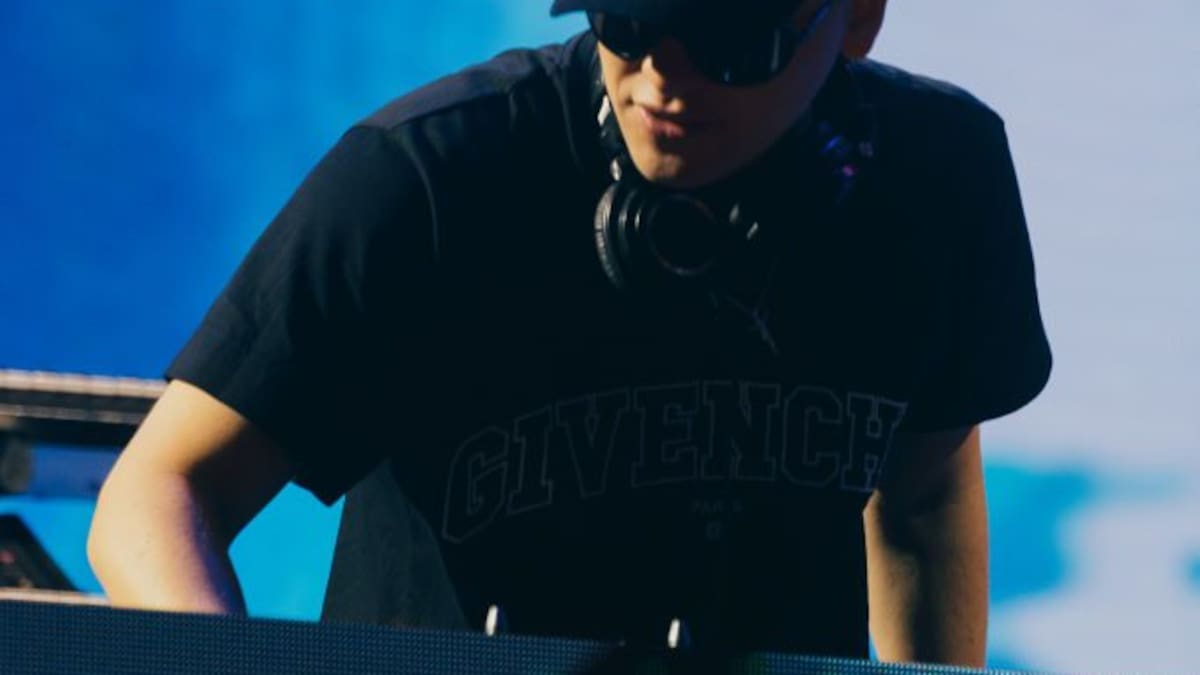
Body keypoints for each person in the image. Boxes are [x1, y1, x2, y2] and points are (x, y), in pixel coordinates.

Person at [87, 0, 1052, 667]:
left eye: (731, 39)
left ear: (857, 18)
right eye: (627, 19)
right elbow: (157, 493)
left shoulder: (940, 179)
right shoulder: (424, 181)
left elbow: (924, 497)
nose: (661, 76)